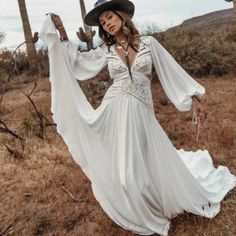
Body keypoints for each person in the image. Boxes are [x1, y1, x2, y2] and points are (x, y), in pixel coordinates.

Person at [39, 0, 236, 235]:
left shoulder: (149, 44)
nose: (107, 24)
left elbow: (170, 71)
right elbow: (78, 65)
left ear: (121, 16)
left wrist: (194, 98)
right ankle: (138, 210)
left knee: (146, 165)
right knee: (126, 177)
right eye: (102, 22)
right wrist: (61, 32)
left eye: (109, 17)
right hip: (114, 112)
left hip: (142, 113)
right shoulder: (107, 50)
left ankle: (155, 197)